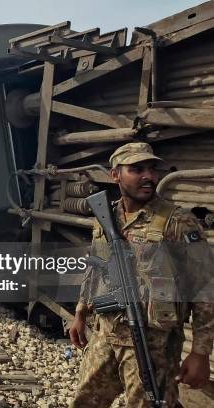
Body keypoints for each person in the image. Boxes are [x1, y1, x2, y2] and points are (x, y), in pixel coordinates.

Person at [69, 142, 214, 407]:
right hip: (106, 336)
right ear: (115, 175)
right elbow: (95, 266)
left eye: (152, 168)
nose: (148, 176)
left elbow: (205, 286)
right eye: (136, 169)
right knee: (84, 402)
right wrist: (80, 312)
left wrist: (200, 352)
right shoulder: (106, 216)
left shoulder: (178, 221)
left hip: (153, 345)